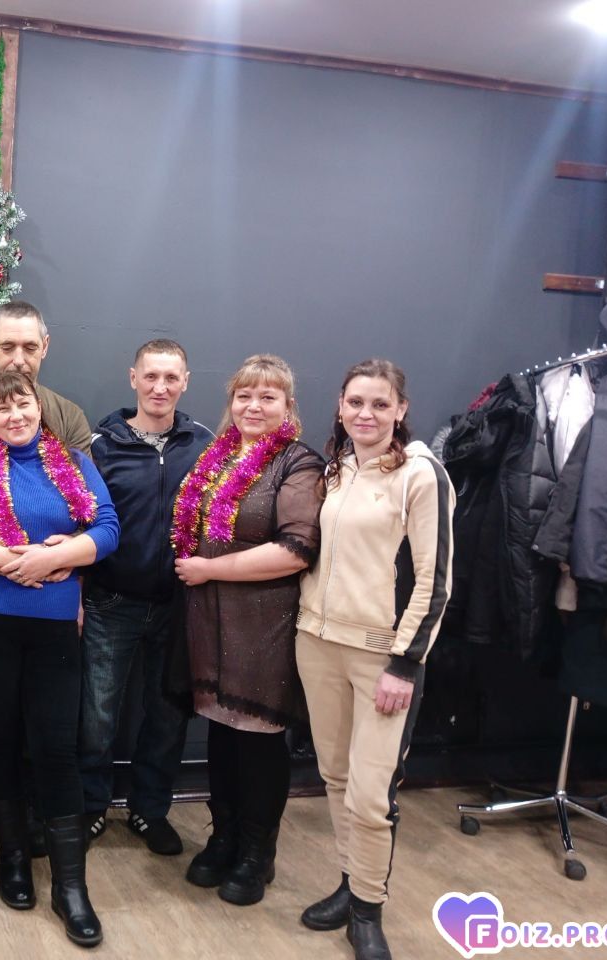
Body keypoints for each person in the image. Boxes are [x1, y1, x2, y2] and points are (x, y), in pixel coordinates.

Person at [0, 370, 119, 948]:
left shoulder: (73, 460)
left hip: (53, 623)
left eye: (22, 404)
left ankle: (71, 888)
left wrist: (63, 554)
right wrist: (3, 559)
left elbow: (109, 527)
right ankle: (14, 860)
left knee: (56, 747)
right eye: (2, 408)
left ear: (39, 409)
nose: (14, 415)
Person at [295, 359, 454, 960]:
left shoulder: (421, 474)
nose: (366, 414)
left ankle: (367, 911)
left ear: (401, 410)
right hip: (317, 644)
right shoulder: (334, 469)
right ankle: (350, 882)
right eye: (356, 402)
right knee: (336, 778)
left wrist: (405, 663)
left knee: (370, 793)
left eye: (380, 404)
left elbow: (435, 580)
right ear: (341, 406)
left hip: (381, 659)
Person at [169, 354, 324, 907]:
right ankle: (225, 835)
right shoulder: (219, 455)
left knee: (257, 740)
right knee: (221, 733)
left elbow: (296, 550)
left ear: (288, 406)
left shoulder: (298, 463)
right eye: (244, 396)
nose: (253, 406)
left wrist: (210, 570)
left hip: (264, 623)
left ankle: (259, 852)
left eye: (267, 397)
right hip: (210, 622)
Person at [0, 300, 93, 854]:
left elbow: (88, 508)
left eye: (30, 347)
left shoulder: (68, 416)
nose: (19, 358)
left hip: (53, 591)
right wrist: (4, 549)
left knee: (44, 707)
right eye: (7, 346)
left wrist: (65, 563)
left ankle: (31, 805)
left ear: (45, 348)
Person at [79, 340, 213, 854]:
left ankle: (149, 810)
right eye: (151, 376)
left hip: (179, 605)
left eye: (171, 378)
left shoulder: (203, 443)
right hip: (111, 601)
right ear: (133, 377)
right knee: (97, 716)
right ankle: (90, 806)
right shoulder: (101, 444)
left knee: (167, 715)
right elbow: (82, 521)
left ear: (185, 382)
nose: (160, 387)